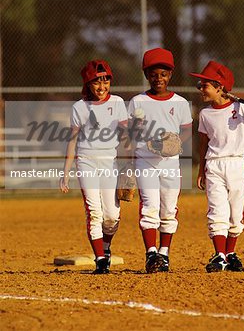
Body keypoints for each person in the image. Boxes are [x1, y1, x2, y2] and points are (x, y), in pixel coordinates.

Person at [190, 60, 244, 273]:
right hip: (214, 165)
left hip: (236, 164)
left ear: (219, 87)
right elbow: (203, 143)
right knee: (217, 210)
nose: (200, 89)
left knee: (235, 214)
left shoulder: (242, 108)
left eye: (204, 85)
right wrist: (201, 170)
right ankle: (220, 255)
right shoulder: (206, 113)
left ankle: (230, 253)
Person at [60, 59, 128, 274]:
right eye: (96, 82)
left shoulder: (117, 103)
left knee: (112, 217)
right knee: (95, 213)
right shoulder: (80, 107)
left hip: (110, 163)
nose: (102, 87)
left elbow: (126, 137)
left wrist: (129, 167)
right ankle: (100, 259)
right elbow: (72, 140)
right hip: (86, 162)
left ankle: (105, 248)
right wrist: (66, 172)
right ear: (87, 84)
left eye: (106, 81)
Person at [128, 48, 193, 273]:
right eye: (154, 74)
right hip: (146, 161)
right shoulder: (138, 101)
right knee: (150, 207)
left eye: (163, 74)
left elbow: (186, 130)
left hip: (171, 162)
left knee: (169, 209)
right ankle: (151, 253)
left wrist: (174, 141)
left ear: (170, 75)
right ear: (147, 75)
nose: (159, 79)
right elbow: (131, 134)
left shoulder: (181, 102)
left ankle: (164, 254)